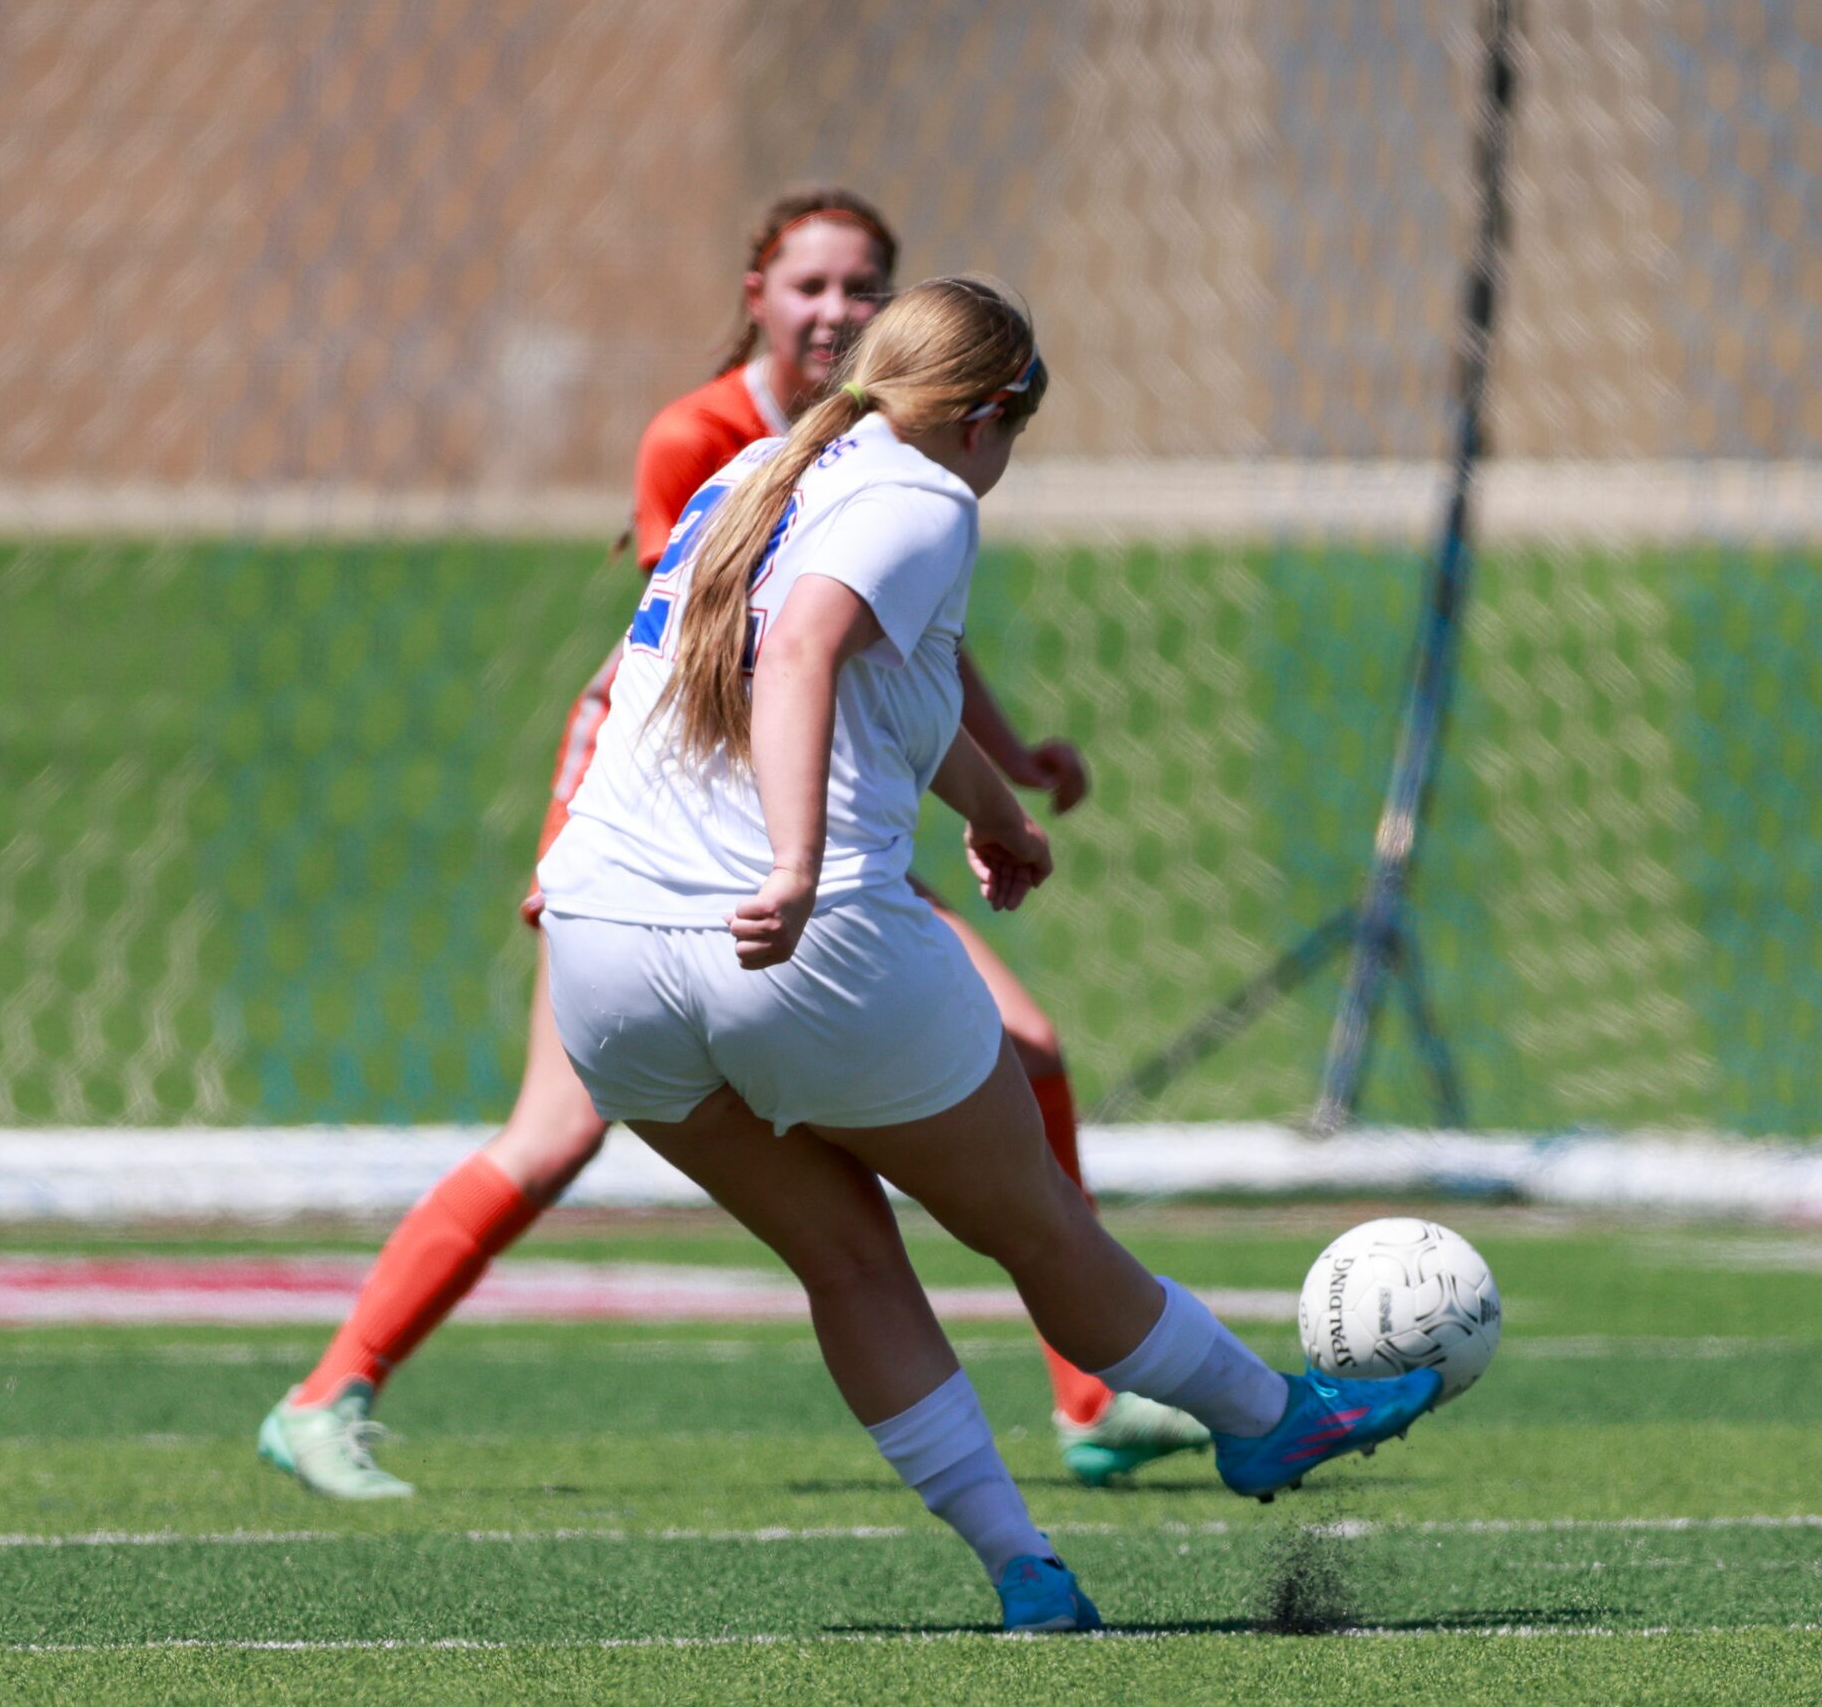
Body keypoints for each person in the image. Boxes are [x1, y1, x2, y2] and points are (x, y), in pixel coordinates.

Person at [261, 190, 1202, 1498]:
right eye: (810, 285)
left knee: (1027, 1048)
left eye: (864, 286)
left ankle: (1091, 1392)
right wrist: (793, 857)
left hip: (806, 806)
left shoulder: (898, 460)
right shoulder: (709, 438)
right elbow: (732, 649)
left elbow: (898, 639)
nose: (837, 310)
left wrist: (1006, 765)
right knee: (553, 1132)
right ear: (754, 291)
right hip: (682, 822)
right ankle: (329, 1390)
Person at [534, 276, 1441, 1629]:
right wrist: (790, 867)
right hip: (801, 938)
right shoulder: (923, 492)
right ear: (985, 414)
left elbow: (866, 683)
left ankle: (1027, 1572)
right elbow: (799, 656)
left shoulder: (754, 475)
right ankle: (1264, 1418)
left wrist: (997, 811)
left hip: (601, 952)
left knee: (847, 1263)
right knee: (1034, 1227)